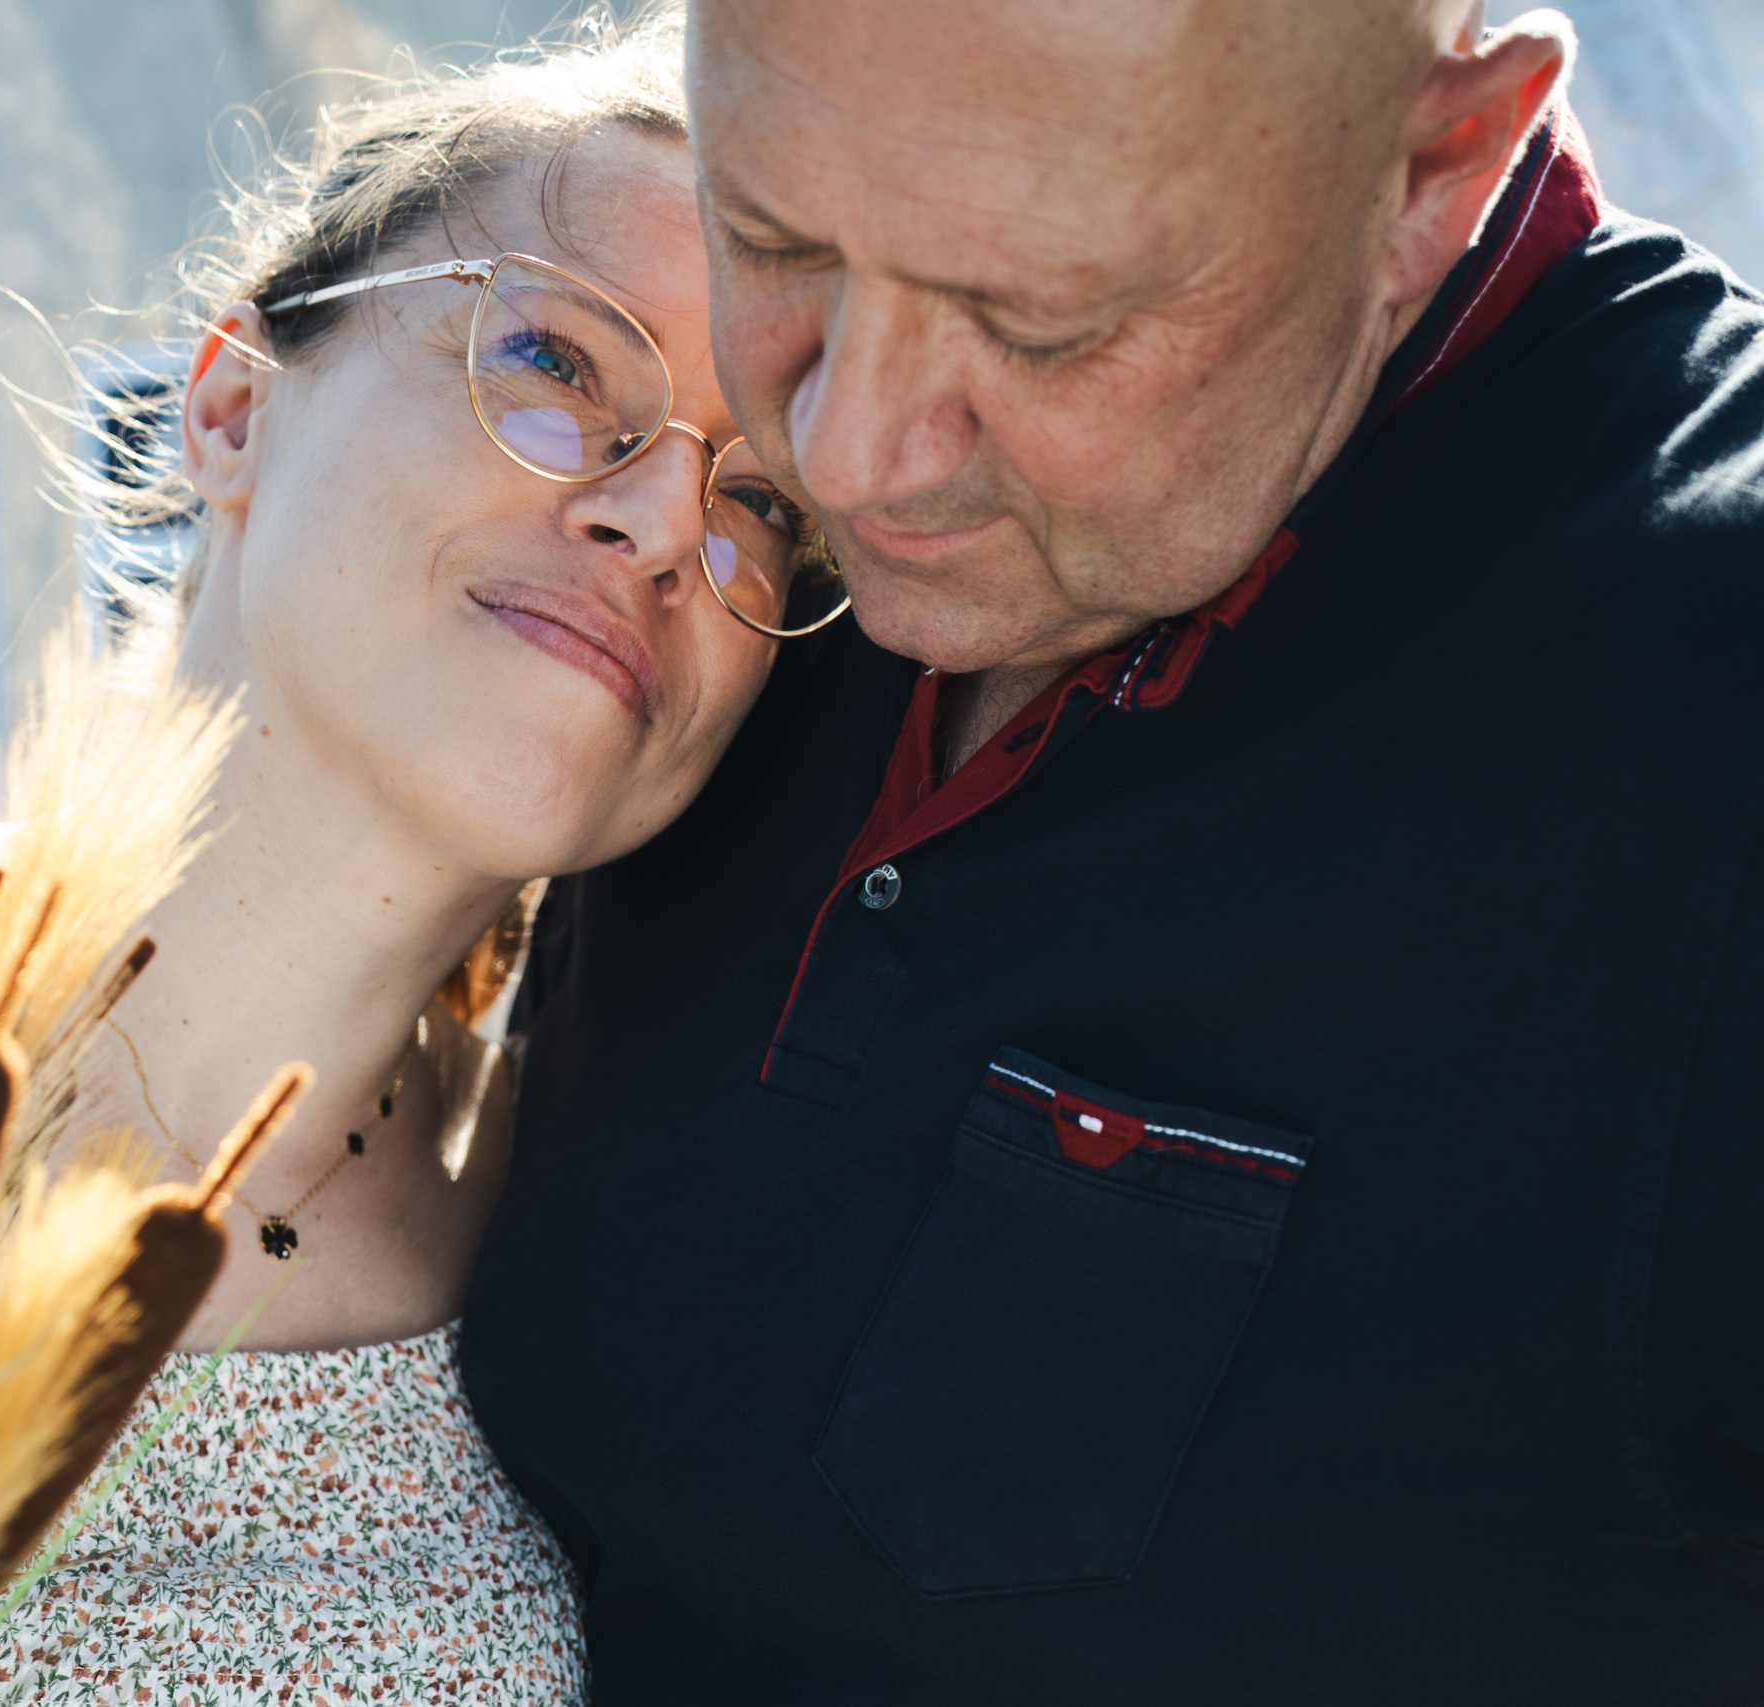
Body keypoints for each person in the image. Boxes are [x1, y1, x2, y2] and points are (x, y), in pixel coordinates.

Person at [463, 1, 1764, 1702]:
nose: (847, 451)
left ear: (1435, 163)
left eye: (1041, 328)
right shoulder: (675, 452)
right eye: (773, 237)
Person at [0, 15, 839, 1704]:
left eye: (761, 509)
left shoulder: (618, 1294)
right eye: (563, 368)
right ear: (227, 406)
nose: (664, 525)